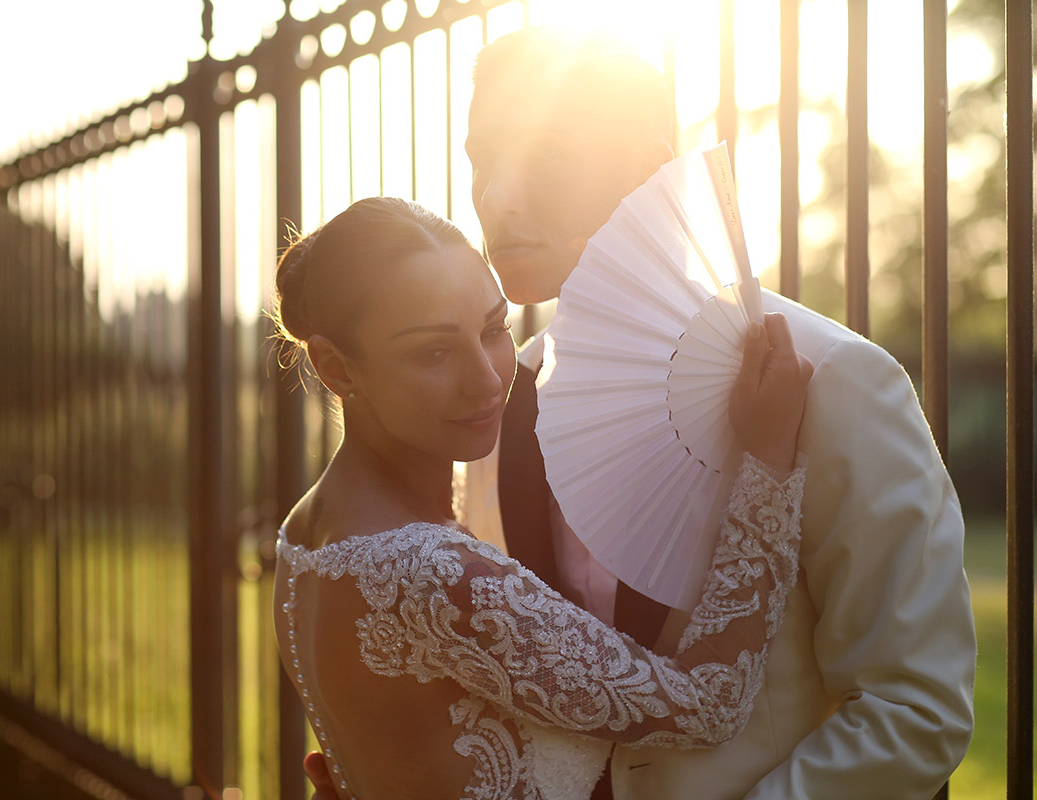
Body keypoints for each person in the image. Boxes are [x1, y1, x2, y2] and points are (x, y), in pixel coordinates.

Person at [307, 25, 975, 800]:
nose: (497, 197)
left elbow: (913, 709)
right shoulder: (501, 401)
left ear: (654, 168)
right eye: (480, 158)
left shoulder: (836, 380)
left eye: (543, 160)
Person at [274, 195, 813, 800]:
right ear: (335, 367)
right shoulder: (431, 572)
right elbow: (709, 704)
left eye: (493, 329)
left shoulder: (303, 531)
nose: (486, 378)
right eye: (433, 352)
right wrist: (767, 462)